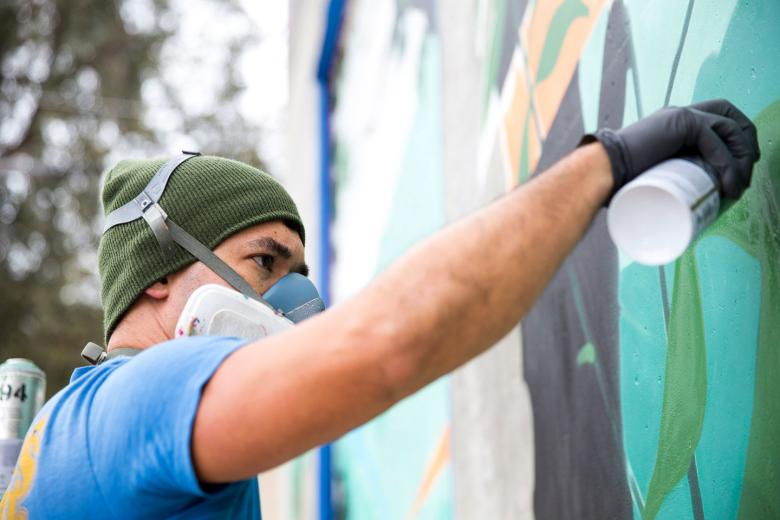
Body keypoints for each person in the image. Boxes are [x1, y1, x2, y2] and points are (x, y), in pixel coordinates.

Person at [0, 99, 759, 518]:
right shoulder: (141, 400)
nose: (296, 303)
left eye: (298, 271)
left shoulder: (77, 441)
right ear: (159, 274)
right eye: (265, 262)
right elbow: (392, 342)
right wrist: (608, 163)